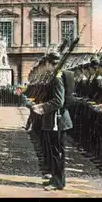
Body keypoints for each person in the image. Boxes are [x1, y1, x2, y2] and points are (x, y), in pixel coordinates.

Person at [32, 51, 72, 191]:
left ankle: (58, 181)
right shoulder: (55, 76)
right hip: (54, 119)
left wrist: (42, 107)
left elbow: (58, 101)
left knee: (58, 152)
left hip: (58, 120)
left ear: (50, 63)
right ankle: (56, 178)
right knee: (55, 151)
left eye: (47, 63)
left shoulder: (57, 78)